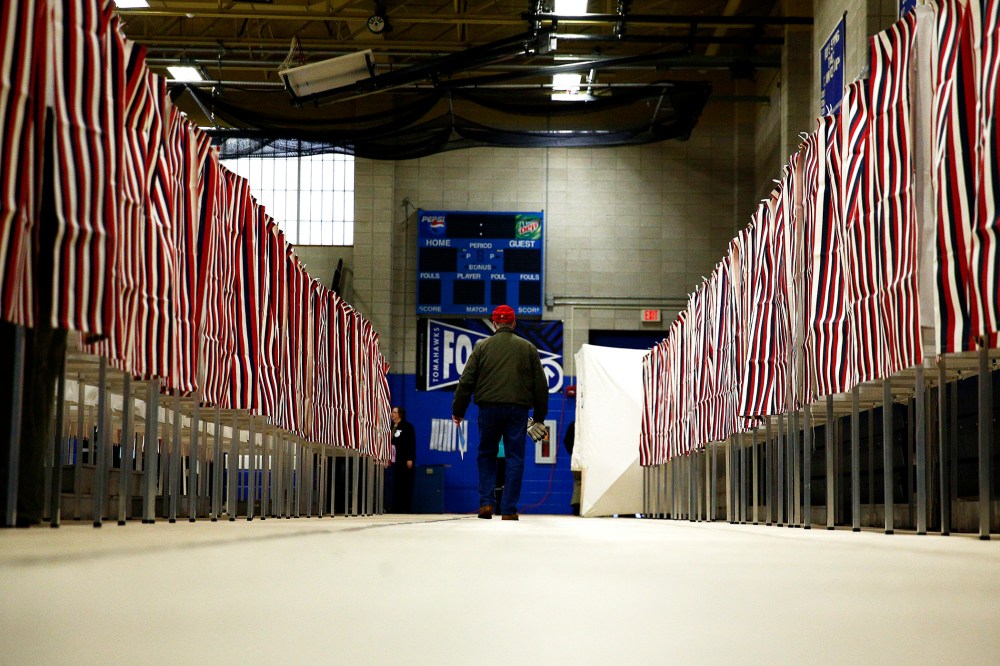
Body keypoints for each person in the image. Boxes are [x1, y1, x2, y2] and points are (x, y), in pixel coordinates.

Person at [452, 305, 548, 521]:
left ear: (494, 324)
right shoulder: (529, 348)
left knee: (486, 454)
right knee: (515, 457)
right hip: (518, 410)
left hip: (488, 408)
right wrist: (540, 417)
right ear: (514, 323)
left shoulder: (481, 347)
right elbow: (541, 386)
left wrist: (458, 411)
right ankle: (509, 509)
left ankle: (486, 504)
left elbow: (466, 381)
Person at [390, 406, 416, 513]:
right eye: (392, 412)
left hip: (404, 459)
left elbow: (411, 443)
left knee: (405, 484)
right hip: (394, 460)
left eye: (394, 412)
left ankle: (405, 508)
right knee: (396, 484)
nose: (392, 414)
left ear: (400, 414)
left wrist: (410, 458)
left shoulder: (407, 427)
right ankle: (396, 507)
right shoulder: (391, 427)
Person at [564, 421, 580, 516]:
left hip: (576, 458)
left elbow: (566, 440)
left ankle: (576, 507)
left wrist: (572, 454)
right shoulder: (592, 425)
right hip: (590, 459)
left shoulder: (574, 424)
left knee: (578, 481)